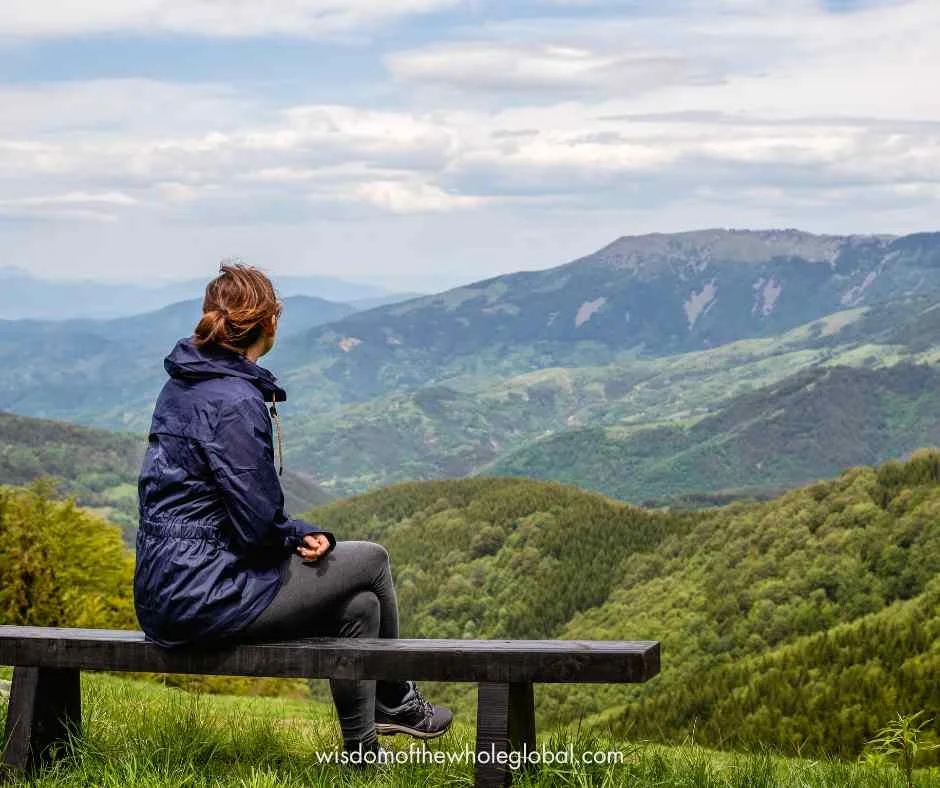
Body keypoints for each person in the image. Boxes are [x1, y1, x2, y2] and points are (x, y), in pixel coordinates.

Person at [134, 262, 452, 758]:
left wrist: (288, 534)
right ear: (269, 323)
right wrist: (297, 532)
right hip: (202, 593)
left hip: (166, 587)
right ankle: (396, 698)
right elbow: (257, 524)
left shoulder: (184, 384)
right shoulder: (235, 400)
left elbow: (226, 507)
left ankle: (362, 756)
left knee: (359, 609)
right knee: (372, 559)